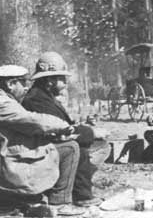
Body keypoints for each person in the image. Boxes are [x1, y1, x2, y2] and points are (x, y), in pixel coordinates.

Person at [0, 65, 82, 215]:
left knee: (60, 145)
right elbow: (33, 121)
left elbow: (25, 128)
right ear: (10, 84)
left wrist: (53, 134)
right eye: (23, 82)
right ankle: (60, 201)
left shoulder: (2, 100)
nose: (26, 88)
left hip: (8, 153)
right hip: (6, 162)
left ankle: (46, 198)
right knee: (70, 148)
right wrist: (64, 126)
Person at [22, 51, 106, 207]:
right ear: (49, 80)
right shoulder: (37, 99)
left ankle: (77, 188)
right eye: (62, 78)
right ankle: (81, 195)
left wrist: (84, 125)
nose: (66, 82)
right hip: (41, 149)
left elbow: (63, 124)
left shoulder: (44, 96)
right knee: (78, 148)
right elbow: (60, 131)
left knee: (94, 144)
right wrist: (91, 132)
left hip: (48, 145)